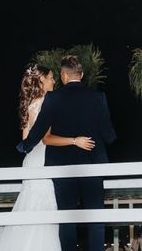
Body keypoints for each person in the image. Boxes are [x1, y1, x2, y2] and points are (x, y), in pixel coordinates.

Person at [0, 63, 95, 251]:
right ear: (41, 80)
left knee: (29, 212)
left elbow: (26, 141)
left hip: (31, 162)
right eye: (51, 77)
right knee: (46, 216)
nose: (54, 80)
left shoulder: (29, 104)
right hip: (44, 161)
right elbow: (46, 139)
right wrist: (75, 141)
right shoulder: (45, 102)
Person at [18, 55, 117, 251]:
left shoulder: (54, 98)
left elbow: (39, 131)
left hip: (63, 167)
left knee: (66, 218)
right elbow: (109, 136)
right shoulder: (98, 97)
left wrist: (25, 146)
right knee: (96, 216)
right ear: (82, 74)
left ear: (63, 75)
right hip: (92, 164)